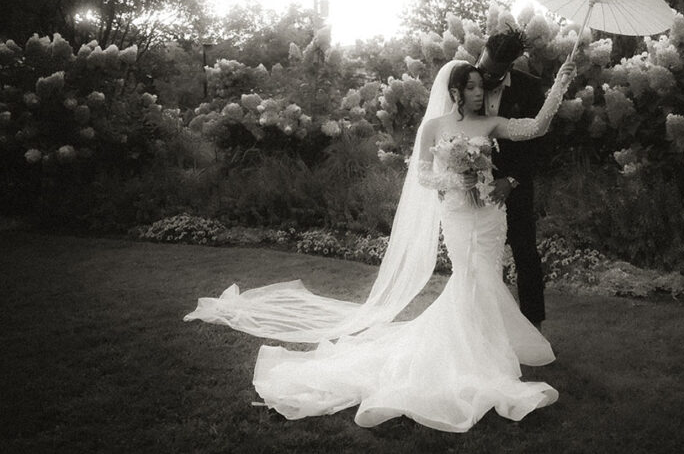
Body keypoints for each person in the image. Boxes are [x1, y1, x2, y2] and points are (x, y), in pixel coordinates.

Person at [184, 57, 575, 433]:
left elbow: (536, 127)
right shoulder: (434, 128)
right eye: (471, 87)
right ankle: (476, 353)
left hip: (490, 214)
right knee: (469, 275)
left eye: (480, 86)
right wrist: (458, 180)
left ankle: (484, 346)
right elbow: (423, 176)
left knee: (486, 274)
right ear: (454, 92)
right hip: (458, 213)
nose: (479, 92)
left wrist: (561, 82)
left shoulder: (491, 123)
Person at [476, 28, 549, 330]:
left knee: (525, 254)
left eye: (493, 73)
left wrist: (513, 179)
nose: (484, 76)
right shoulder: (466, 81)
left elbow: (541, 143)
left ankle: (533, 328)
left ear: (509, 67)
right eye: (483, 67)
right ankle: (484, 324)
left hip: (516, 186)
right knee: (481, 257)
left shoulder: (530, 88)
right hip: (476, 187)